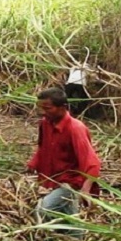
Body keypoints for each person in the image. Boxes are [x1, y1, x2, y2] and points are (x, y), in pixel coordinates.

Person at [27, 88, 101, 226]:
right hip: (56, 179)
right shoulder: (45, 123)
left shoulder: (75, 128)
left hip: (71, 182)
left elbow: (93, 163)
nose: (43, 112)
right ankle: (74, 240)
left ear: (63, 108)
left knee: (43, 209)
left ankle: (50, 238)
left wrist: (85, 190)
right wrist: (34, 162)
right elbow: (44, 147)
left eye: (48, 108)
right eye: (41, 108)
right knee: (68, 215)